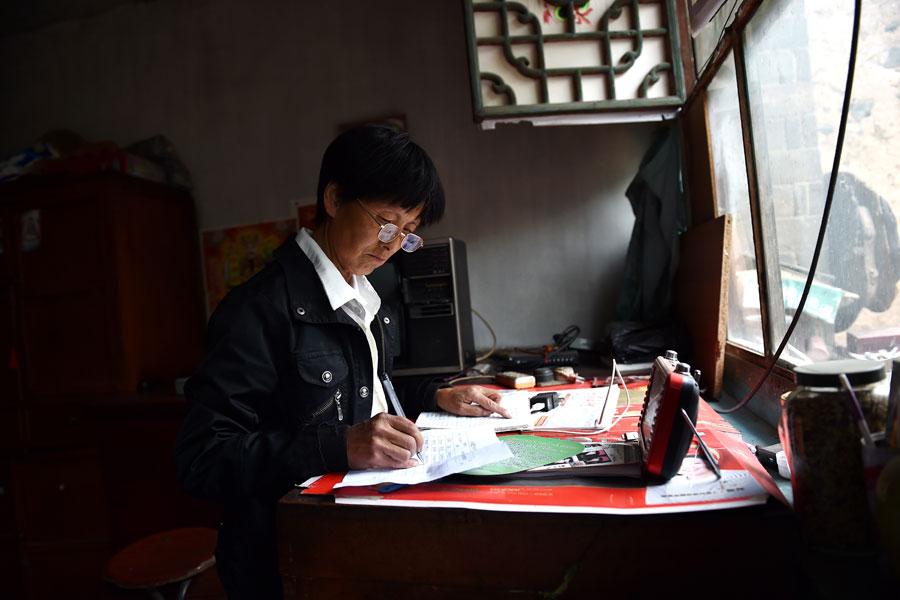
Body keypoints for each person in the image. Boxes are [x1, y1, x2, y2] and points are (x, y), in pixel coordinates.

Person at [175, 125, 510, 599]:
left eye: (408, 233)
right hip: (292, 559)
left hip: (358, 536)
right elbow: (203, 459)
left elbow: (368, 389)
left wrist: (436, 395)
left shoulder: (366, 295)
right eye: (386, 223)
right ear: (334, 199)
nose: (393, 245)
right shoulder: (258, 310)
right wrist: (338, 446)